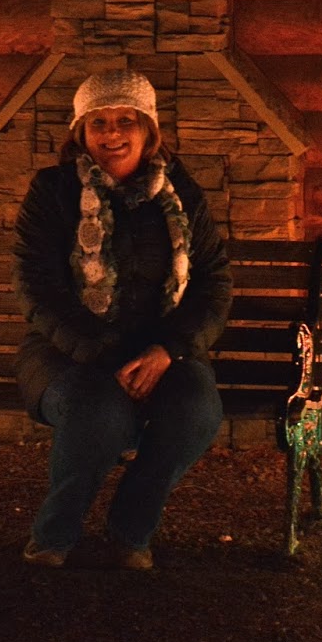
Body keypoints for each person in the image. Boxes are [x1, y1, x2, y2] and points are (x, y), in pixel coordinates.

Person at [13, 68, 231, 570]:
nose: (112, 134)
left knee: (196, 408)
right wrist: (109, 354)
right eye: (99, 123)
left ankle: (131, 530)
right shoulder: (53, 191)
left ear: (149, 129)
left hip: (163, 352)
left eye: (125, 120)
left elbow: (213, 283)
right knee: (99, 413)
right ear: (81, 134)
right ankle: (53, 537)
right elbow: (35, 287)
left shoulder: (181, 195)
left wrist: (167, 351)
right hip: (65, 352)